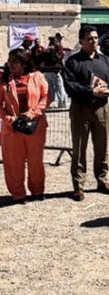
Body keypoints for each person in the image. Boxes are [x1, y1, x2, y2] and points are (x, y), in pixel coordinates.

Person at [62, 25, 109, 202]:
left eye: (95, 38)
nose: (94, 41)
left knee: (102, 146)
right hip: (81, 108)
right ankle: (78, 185)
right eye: (90, 38)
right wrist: (91, 91)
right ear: (81, 41)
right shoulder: (73, 62)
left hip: (101, 109)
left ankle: (102, 179)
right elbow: (70, 86)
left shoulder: (105, 61)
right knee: (79, 147)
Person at [0, 49, 50, 203]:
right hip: (11, 129)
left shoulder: (38, 76)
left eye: (15, 61)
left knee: (36, 161)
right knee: (13, 162)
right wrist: (8, 118)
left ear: (24, 63)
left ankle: (37, 191)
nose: (11, 64)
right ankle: (18, 194)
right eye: (10, 61)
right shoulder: (4, 80)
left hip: (35, 126)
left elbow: (46, 97)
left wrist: (33, 113)